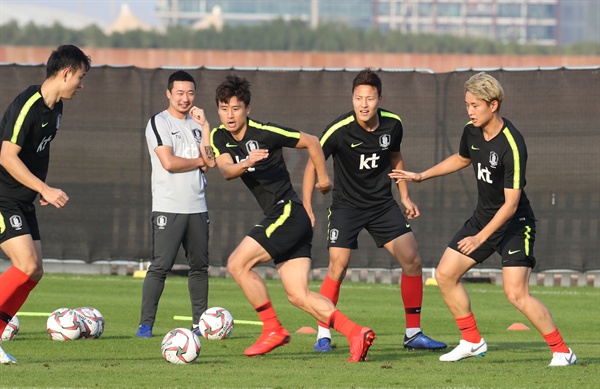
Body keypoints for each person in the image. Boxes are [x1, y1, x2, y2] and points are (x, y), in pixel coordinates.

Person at [389, 72, 577, 366]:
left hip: (514, 224)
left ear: (493, 104)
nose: (469, 111)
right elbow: (463, 158)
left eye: (475, 105)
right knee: (445, 275)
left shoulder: (513, 144)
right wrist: (421, 175)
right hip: (483, 219)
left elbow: (511, 204)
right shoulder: (471, 130)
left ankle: (563, 351)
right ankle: (472, 341)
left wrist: (480, 238)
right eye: (467, 105)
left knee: (516, 294)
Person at [210, 75, 375, 362]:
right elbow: (225, 170)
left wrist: (323, 179)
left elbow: (311, 142)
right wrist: (246, 162)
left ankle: (272, 328)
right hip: (290, 218)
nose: (229, 115)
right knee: (298, 295)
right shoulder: (219, 136)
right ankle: (356, 333)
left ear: (247, 109)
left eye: (236, 108)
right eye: (224, 108)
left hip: (287, 212)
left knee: (237, 264)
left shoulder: (264, 132)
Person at [303, 68, 447, 352]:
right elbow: (312, 161)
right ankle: (323, 335)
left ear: (380, 98)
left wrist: (404, 196)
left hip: (382, 205)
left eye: (369, 98)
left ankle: (413, 333)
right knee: (338, 266)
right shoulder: (338, 129)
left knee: (413, 261)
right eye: (358, 98)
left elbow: (396, 157)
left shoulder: (393, 124)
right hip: (346, 206)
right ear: (352, 98)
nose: (363, 104)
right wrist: (308, 206)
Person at [0, 45, 91, 364]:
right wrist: (45, 188)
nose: (81, 85)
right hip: (2, 197)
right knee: (25, 264)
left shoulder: (56, 110)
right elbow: (6, 156)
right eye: (80, 77)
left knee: (35, 271)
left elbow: (38, 152)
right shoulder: (29, 104)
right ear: (65, 73)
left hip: (23, 198)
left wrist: (37, 188)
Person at [136, 70, 215, 338]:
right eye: (179, 93)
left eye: (190, 93)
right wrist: (199, 162)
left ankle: (199, 325)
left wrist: (205, 128)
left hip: (198, 207)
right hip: (168, 207)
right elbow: (168, 162)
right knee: (160, 267)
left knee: (199, 268)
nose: (185, 98)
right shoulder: (159, 122)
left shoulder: (197, 124)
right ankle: (145, 325)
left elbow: (211, 161)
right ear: (168, 93)